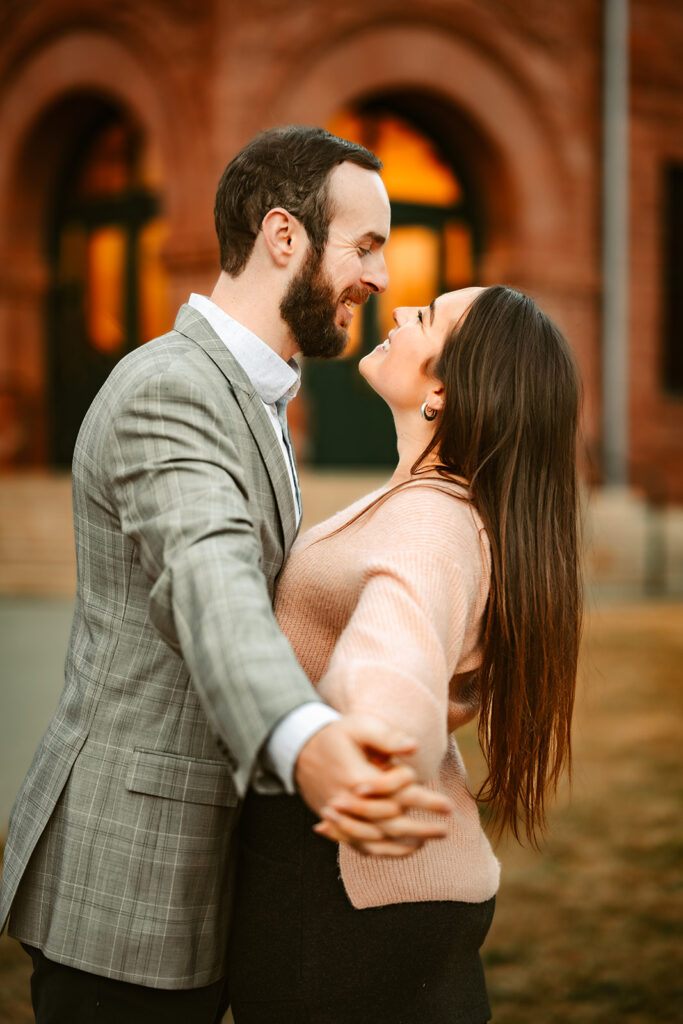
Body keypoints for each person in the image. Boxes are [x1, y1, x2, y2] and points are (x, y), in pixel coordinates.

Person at [0, 126, 453, 1023]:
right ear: (283, 238)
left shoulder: (258, 393)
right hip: (128, 886)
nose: (381, 278)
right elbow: (210, 591)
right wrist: (302, 739)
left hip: (210, 887)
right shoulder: (171, 388)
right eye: (364, 246)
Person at [227, 284, 583, 1024]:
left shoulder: (430, 523)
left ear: (445, 393)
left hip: (345, 897)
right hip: (382, 889)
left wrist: (371, 743)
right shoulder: (430, 500)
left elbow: (393, 654)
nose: (397, 313)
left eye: (425, 319)